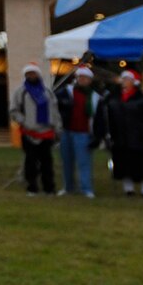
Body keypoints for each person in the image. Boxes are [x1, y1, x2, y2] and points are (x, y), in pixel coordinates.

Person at [100, 69, 143, 197]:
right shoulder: (114, 98)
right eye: (124, 79)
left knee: (142, 163)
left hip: (137, 137)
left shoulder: (142, 99)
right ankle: (128, 188)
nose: (124, 82)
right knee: (123, 163)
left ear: (134, 82)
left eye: (127, 79)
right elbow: (109, 115)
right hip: (120, 137)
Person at [9, 63, 60, 196]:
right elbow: (14, 110)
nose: (32, 76)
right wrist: (24, 121)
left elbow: (54, 110)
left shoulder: (47, 92)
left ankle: (49, 187)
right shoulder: (21, 92)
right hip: (29, 132)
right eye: (29, 74)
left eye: (34, 73)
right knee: (30, 162)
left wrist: (57, 126)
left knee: (47, 162)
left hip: (46, 132)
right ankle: (32, 187)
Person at [54, 65, 102, 198]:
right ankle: (68, 187)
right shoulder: (66, 92)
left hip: (84, 132)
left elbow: (98, 118)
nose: (82, 79)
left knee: (84, 162)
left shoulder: (94, 97)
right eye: (80, 77)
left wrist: (97, 135)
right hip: (67, 130)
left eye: (85, 77)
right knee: (66, 161)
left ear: (90, 80)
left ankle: (86, 188)